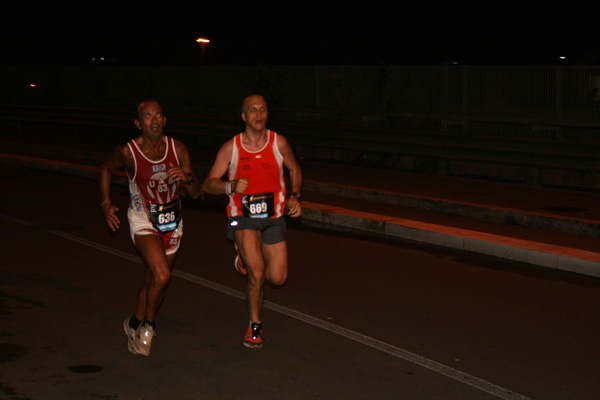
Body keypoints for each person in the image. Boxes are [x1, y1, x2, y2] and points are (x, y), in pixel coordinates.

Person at [99, 99, 202, 356]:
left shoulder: (178, 149)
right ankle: (148, 326)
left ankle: (132, 322)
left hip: (171, 222)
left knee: (153, 280)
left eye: (158, 116)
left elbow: (197, 194)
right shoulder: (128, 152)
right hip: (143, 219)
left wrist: (187, 177)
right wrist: (106, 203)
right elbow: (105, 168)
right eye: (147, 117)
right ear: (138, 123)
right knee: (163, 275)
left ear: (165, 120)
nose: (154, 121)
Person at [203, 94, 302, 349]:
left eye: (263, 110)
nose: (259, 114)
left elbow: (294, 169)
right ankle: (254, 326)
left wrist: (295, 196)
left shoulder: (279, 143)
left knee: (278, 278)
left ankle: (242, 257)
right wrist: (231, 185)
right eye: (253, 110)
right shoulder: (231, 148)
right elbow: (208, 184)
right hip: (242, 217)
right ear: (244, 116)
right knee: (257, 273)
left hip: (273, 218)